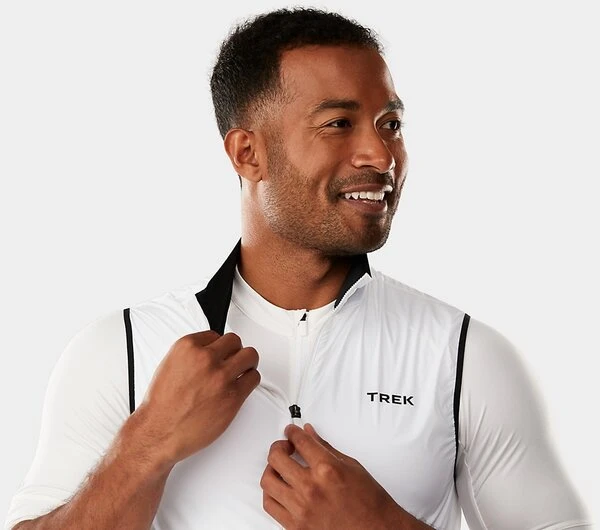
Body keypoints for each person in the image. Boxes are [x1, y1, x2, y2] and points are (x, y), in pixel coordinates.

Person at [4, 7, 592, 530]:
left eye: (390, 124)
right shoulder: (121, 350)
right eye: (338, 123)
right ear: (247, 153)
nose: (381, 155)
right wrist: (149, 443)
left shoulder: (464, 356)